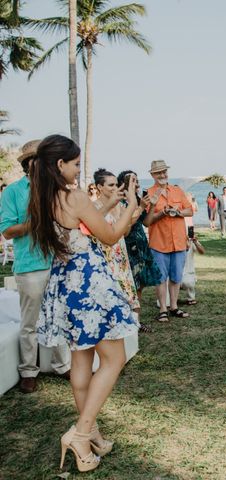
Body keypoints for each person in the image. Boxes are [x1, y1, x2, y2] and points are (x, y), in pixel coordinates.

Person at [30, 135, 139, 473]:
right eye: (75, 164)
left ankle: (91, 435)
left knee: (82, 361)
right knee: (114, 358)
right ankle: (80, 433)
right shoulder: (73, 196)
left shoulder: (43, 198)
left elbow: (82, 223)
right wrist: (131, 204)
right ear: (59, 164)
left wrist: (107, 207)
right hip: (89, 284)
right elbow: (108, 236)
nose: (79, 170)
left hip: (66, 284)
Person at [0, 139, 71, 394]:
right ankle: (29, 371)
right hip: (29, 265)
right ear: (30, 164)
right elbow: (7, 231)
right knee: (30, 322)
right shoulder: (14, 192)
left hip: (56, 263)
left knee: (58, 317)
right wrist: (38, 221)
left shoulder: (55, 188)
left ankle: (62, 365)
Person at [143, 159, 193, 322]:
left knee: (176, 276)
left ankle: (174, 307)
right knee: (160, 278)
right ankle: (163, 309)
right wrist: (160, 212)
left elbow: (189, 210)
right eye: (158, 172)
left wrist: (177, 212)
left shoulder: (178, 190)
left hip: (178, 241)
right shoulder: (148, 193)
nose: (162, 175)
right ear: (152, 175)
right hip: (159, 242)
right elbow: (146, 222)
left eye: (164, 171)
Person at [117, 170, 162, 333]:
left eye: (137, 180)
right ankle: (128, 321)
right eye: (133, 180)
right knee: (130, 287)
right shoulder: (121, 202)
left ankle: (136, 321)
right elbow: (125, 226)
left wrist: (152, 206)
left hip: (141, 244)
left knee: (140, 286)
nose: (137, 183)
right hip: (129, 247)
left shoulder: (137, 199)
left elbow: (147, 223)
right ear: (125, 183)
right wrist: (141, 206)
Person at [92, 169, 140, 312]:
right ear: (100, 187)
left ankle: (132, 331)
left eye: (116, 185)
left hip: (121, 256)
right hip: (104, 257)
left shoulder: (119, 205)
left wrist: (127, 212)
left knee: (130, 301)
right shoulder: (93, 207)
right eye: (111, 185)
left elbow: (125, 233)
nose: (115, 188)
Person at [180, 231, 205, 305]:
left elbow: (202, 252)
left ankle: (191, 297)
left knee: (188, 282)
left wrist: (196, 242)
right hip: (174, 272)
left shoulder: (191, 241)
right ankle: (166, 302)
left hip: (187, 273)